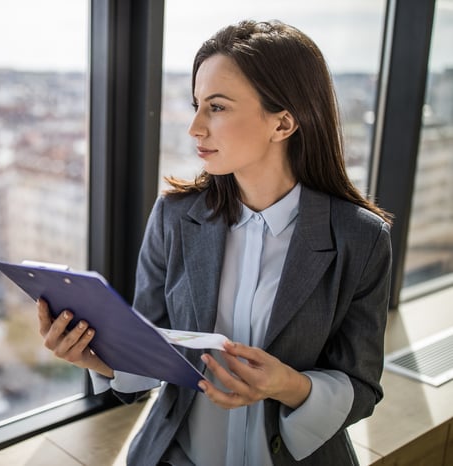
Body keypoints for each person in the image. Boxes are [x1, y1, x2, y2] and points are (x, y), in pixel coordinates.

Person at [37, 19, 392, 466]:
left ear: (282, 123)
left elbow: (361, 387)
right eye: (197, 105)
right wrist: (97, 358)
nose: (195, 127)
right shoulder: (175, 216)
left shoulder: (360, 237)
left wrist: (285, 383)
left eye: (217, 107)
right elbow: (151, 348)